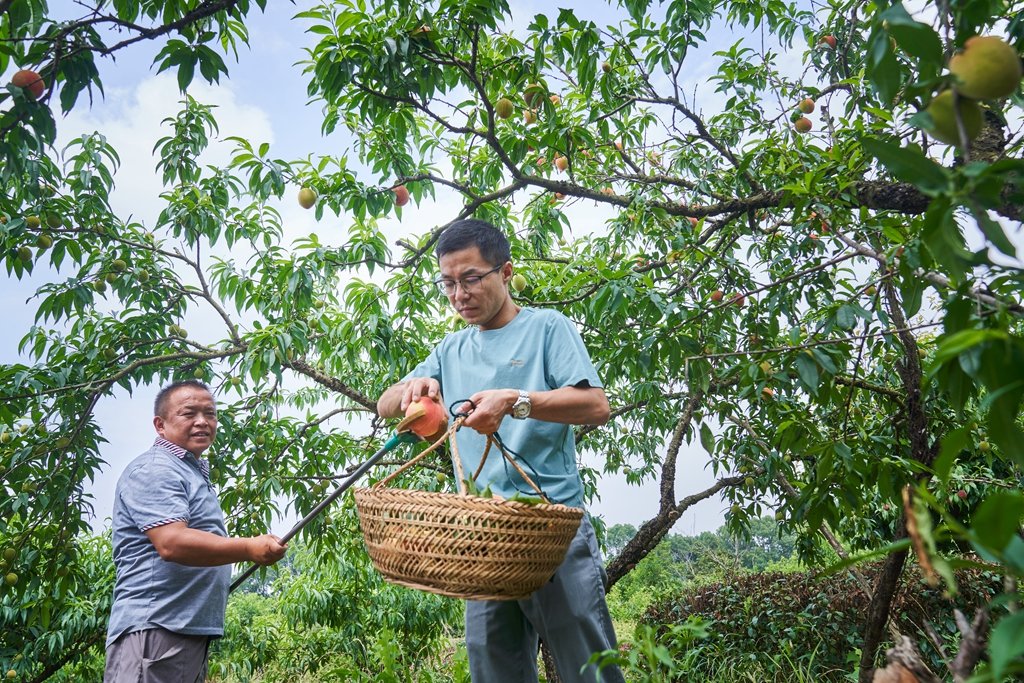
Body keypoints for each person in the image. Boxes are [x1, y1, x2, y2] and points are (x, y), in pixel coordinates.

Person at [376, 219, 625, 683]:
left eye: (471, 279)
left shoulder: (547, 328)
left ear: (505, 272)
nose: (459, 295)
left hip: (552, 527)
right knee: (493, 666)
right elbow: (386, 403)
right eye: (447, 283)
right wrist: (415, 387)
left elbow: (595, 406)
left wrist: (515, 401)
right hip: (483, 537)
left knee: (587, 666)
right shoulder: (450, 349)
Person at [104, 380, 287, 683]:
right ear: (160, 425)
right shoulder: (155, 468)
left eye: (210, 414)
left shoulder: (189, 471)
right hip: (156, 630)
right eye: (189, 413)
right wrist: (247, 548)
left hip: (183, 631)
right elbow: (171, 542)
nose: (203, 421)